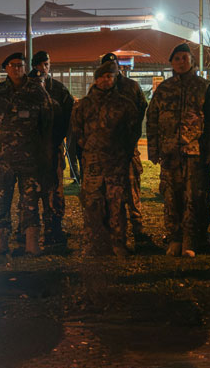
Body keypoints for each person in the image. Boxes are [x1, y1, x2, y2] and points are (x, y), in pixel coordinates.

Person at [146, 43, 210, 258]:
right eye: (176, 58)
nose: (180, 62)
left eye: (184, 58)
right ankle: (175, 238)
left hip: (195, 155)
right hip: (169, 154)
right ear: (171, 63)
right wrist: (153, 149)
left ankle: (192, 239)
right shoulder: (164, 89)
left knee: (194, 198)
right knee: (171, 197)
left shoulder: (205, 87)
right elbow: (152, 119)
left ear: (192, 61)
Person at [0, 51, 53, 256]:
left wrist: (45, 152)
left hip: (29, 158)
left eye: (20, 65)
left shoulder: (37, 92)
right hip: (2, 159)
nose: (17, 69)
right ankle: (1, 243)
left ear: (25, 67)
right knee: (1, 200)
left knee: (30, 201)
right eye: (13, 65)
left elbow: (47, 124)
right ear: (6, 68)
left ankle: (31, 242)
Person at [69, 59, 140, 256]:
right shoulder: (84, 105)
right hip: (92, 163)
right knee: (92, 202)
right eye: (102, 77)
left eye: (109, 76)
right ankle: (95, 243)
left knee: (116, 202)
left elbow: (132, 131)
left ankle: (118, 243)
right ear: (96, 80)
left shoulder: (124, 104)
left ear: (115, 78)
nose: (106, 80)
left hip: (116, 162)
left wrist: (122, 151)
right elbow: (77, 132)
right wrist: (90, 149)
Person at [99, 52, 150, 246]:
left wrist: (131, 137)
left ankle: (138, 228)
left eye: (113, 67)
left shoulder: (131, 87)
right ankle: (112, 231)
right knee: (108, 193)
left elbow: (140, 111)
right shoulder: (98, 89)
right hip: (107, 154)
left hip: (128, 150)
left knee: (132, 190)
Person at [30, 50, 75, 245]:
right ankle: (29, 228)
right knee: (30, 189)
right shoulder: (25, 89)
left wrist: (59, 139)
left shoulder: (58, 89)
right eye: (41, 64)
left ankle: (55, 226)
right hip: (30, 150)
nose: (44, 68)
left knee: (55, 189)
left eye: (47, 64)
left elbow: (68, 115)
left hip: (53, 146)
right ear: (34, 66)